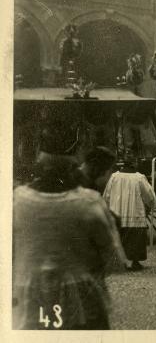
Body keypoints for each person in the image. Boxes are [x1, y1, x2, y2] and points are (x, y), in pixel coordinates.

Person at [13, 122, 126, 329]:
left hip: (31, 304)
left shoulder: (16, 202)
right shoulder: (89, 202)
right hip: (81, 306)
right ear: (73, 163)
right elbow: (115, 262)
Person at [103, 155, 156, 271]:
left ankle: (117, 261)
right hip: (134, 212)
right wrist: (152, 204)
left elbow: (107, 195)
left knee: (118, 236)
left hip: (117, 212)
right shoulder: (139, 178)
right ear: (134, 164)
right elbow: (148, 194)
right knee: (135, 238)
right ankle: (135, 262)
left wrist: (107, 206)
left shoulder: (114, 177)